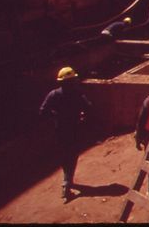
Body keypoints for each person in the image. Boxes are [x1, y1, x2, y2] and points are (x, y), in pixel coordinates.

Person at [40, 66, 92, 201]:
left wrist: (55, 117)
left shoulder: (54, 94)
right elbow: (88, 108)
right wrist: (82, 116)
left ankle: (67, 179)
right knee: (72, 155)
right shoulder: (78, 94)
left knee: (64, 154)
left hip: (60, 129)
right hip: (74, 129)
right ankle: (67, 182)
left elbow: (43, 111)